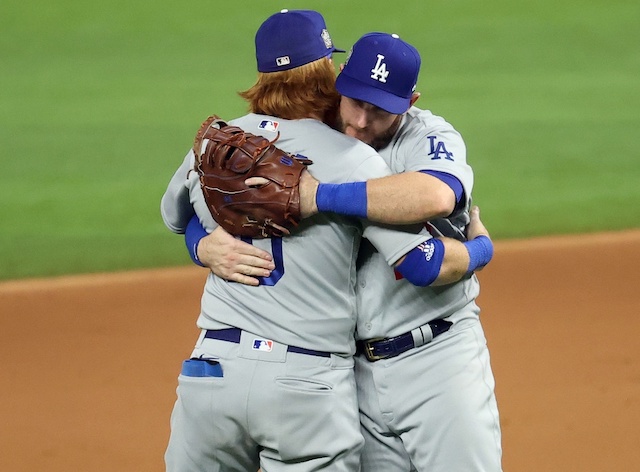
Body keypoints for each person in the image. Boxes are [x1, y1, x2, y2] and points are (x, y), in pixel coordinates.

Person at [161, 11, 494, 472]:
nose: (359, 120)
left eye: (379, 109)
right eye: (354, 100)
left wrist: (318, 197)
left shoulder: (424, 138)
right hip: (341, 374)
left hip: (433, 358)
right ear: (335, 75)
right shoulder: (337, 149)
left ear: (410, 101)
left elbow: (436, 197)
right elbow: (425, 263)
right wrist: (204, 245)